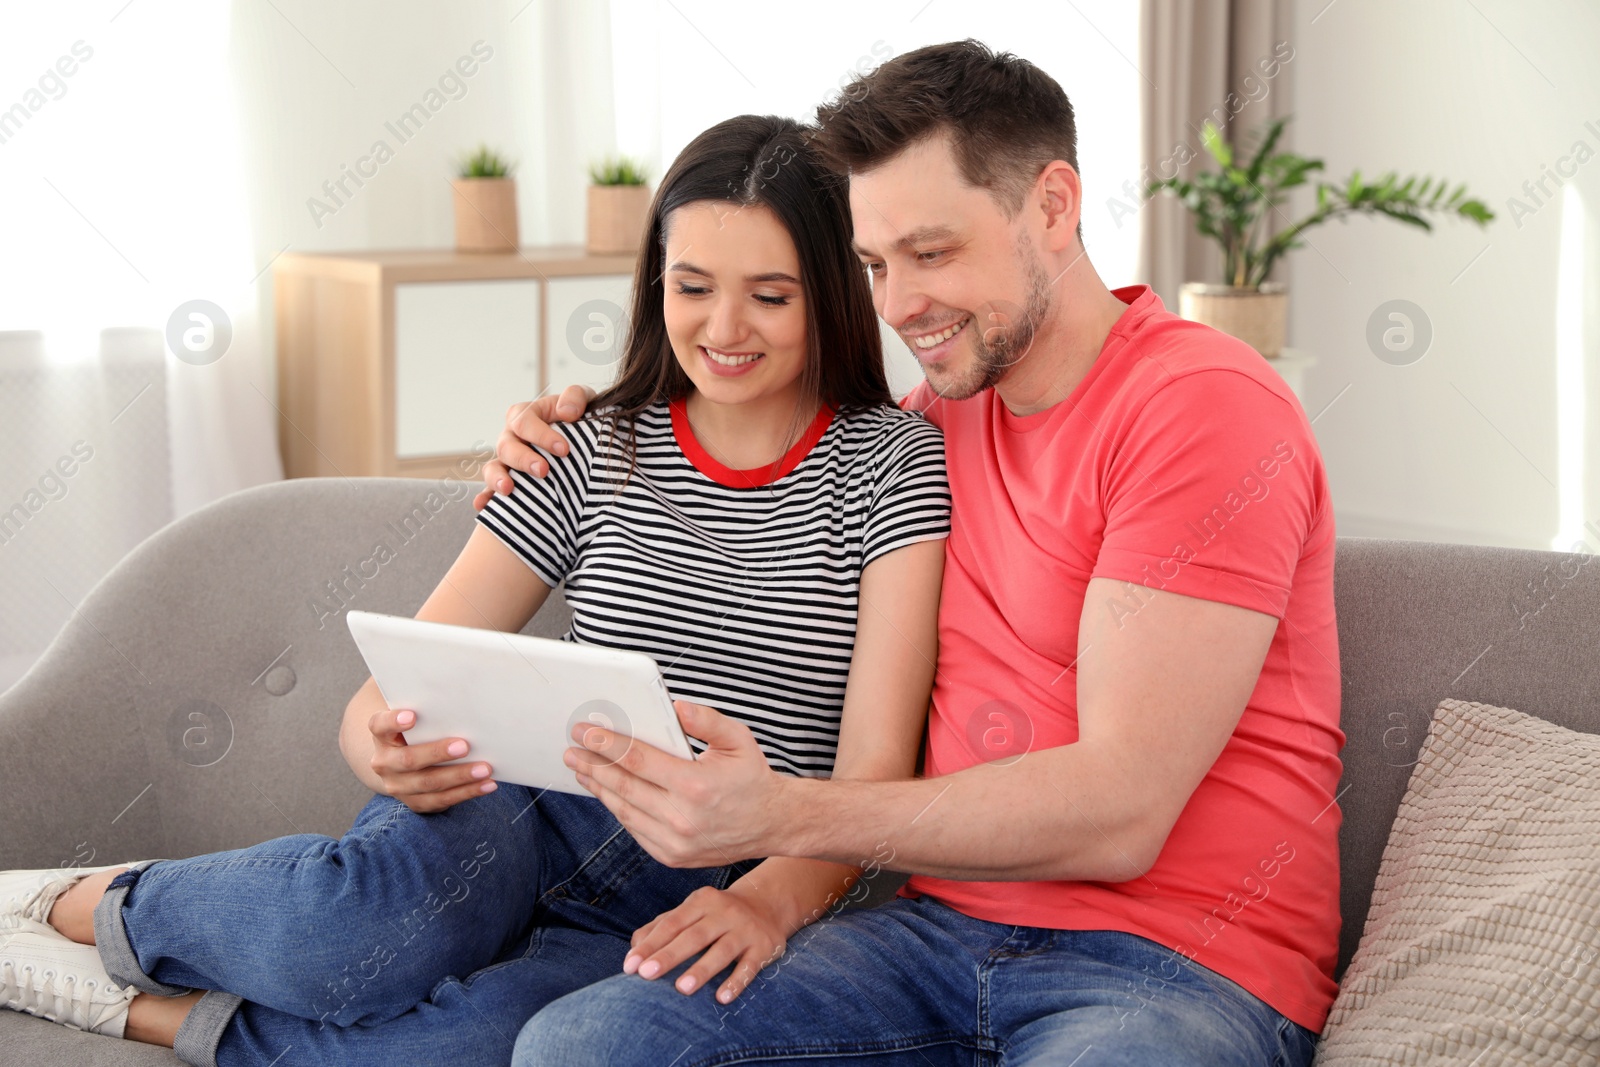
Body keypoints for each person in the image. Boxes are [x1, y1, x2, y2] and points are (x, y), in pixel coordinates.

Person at [0, 114, 951, 1066]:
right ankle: (76, 899)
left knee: (478, 1049)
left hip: (716, 873)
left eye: (770, 296)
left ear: (829, 294)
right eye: (692, 286)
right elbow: (386, 694)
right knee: (354, 931)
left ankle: (145, 1012)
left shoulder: (893, 467)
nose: (724, 328)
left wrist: (764, 900)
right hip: (524, 811)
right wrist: (382, 751)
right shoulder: (586, 446)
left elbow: (873, 770)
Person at [480, 40, 1342, 1067]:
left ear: (1054, 207)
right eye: (875, 265)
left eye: (931, 254)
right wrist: (571, 423)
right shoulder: (924, 430)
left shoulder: (1200, 405)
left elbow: (1121, 811)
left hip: (1174, 965)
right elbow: (755, 469)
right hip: (928, 941)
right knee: (583, 1046)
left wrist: (784, 813)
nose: (894, 306)